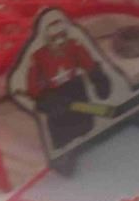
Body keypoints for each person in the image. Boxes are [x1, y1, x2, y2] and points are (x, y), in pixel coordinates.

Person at [23, 12, 112, 152]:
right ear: (47, 39)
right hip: (55, 95)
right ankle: (64, 150)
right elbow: (32, 85)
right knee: (61, 126)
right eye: (55, 38)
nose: (60, 41)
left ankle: (88, 137)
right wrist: (44, 99)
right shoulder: (38, 57)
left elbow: (88, 63)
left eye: (62, 36)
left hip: (74, 88)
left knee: (84, 120)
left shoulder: (73, 45)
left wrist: (99, 79)